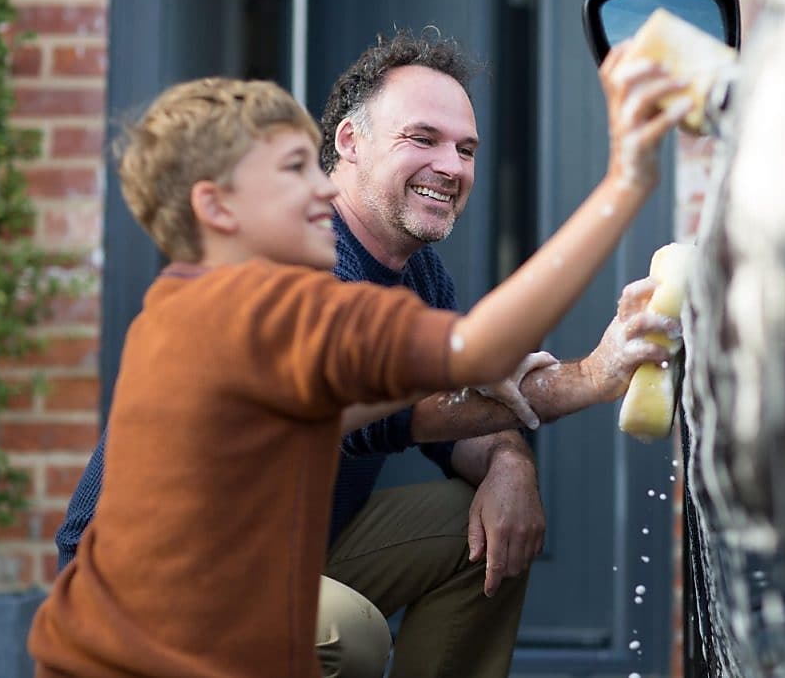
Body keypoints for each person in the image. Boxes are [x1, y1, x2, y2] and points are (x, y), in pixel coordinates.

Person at [34, 48, 687, 676]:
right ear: (218, 207)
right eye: (294, 170)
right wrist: (627, 180)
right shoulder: (268, 300)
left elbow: (406, 394)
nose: (319, 187)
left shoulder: (197, 298)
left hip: (255, 562)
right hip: (147, 611)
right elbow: (470, 356)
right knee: (352, 634)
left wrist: (507, 454)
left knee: (449, 537)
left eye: (465, 149)